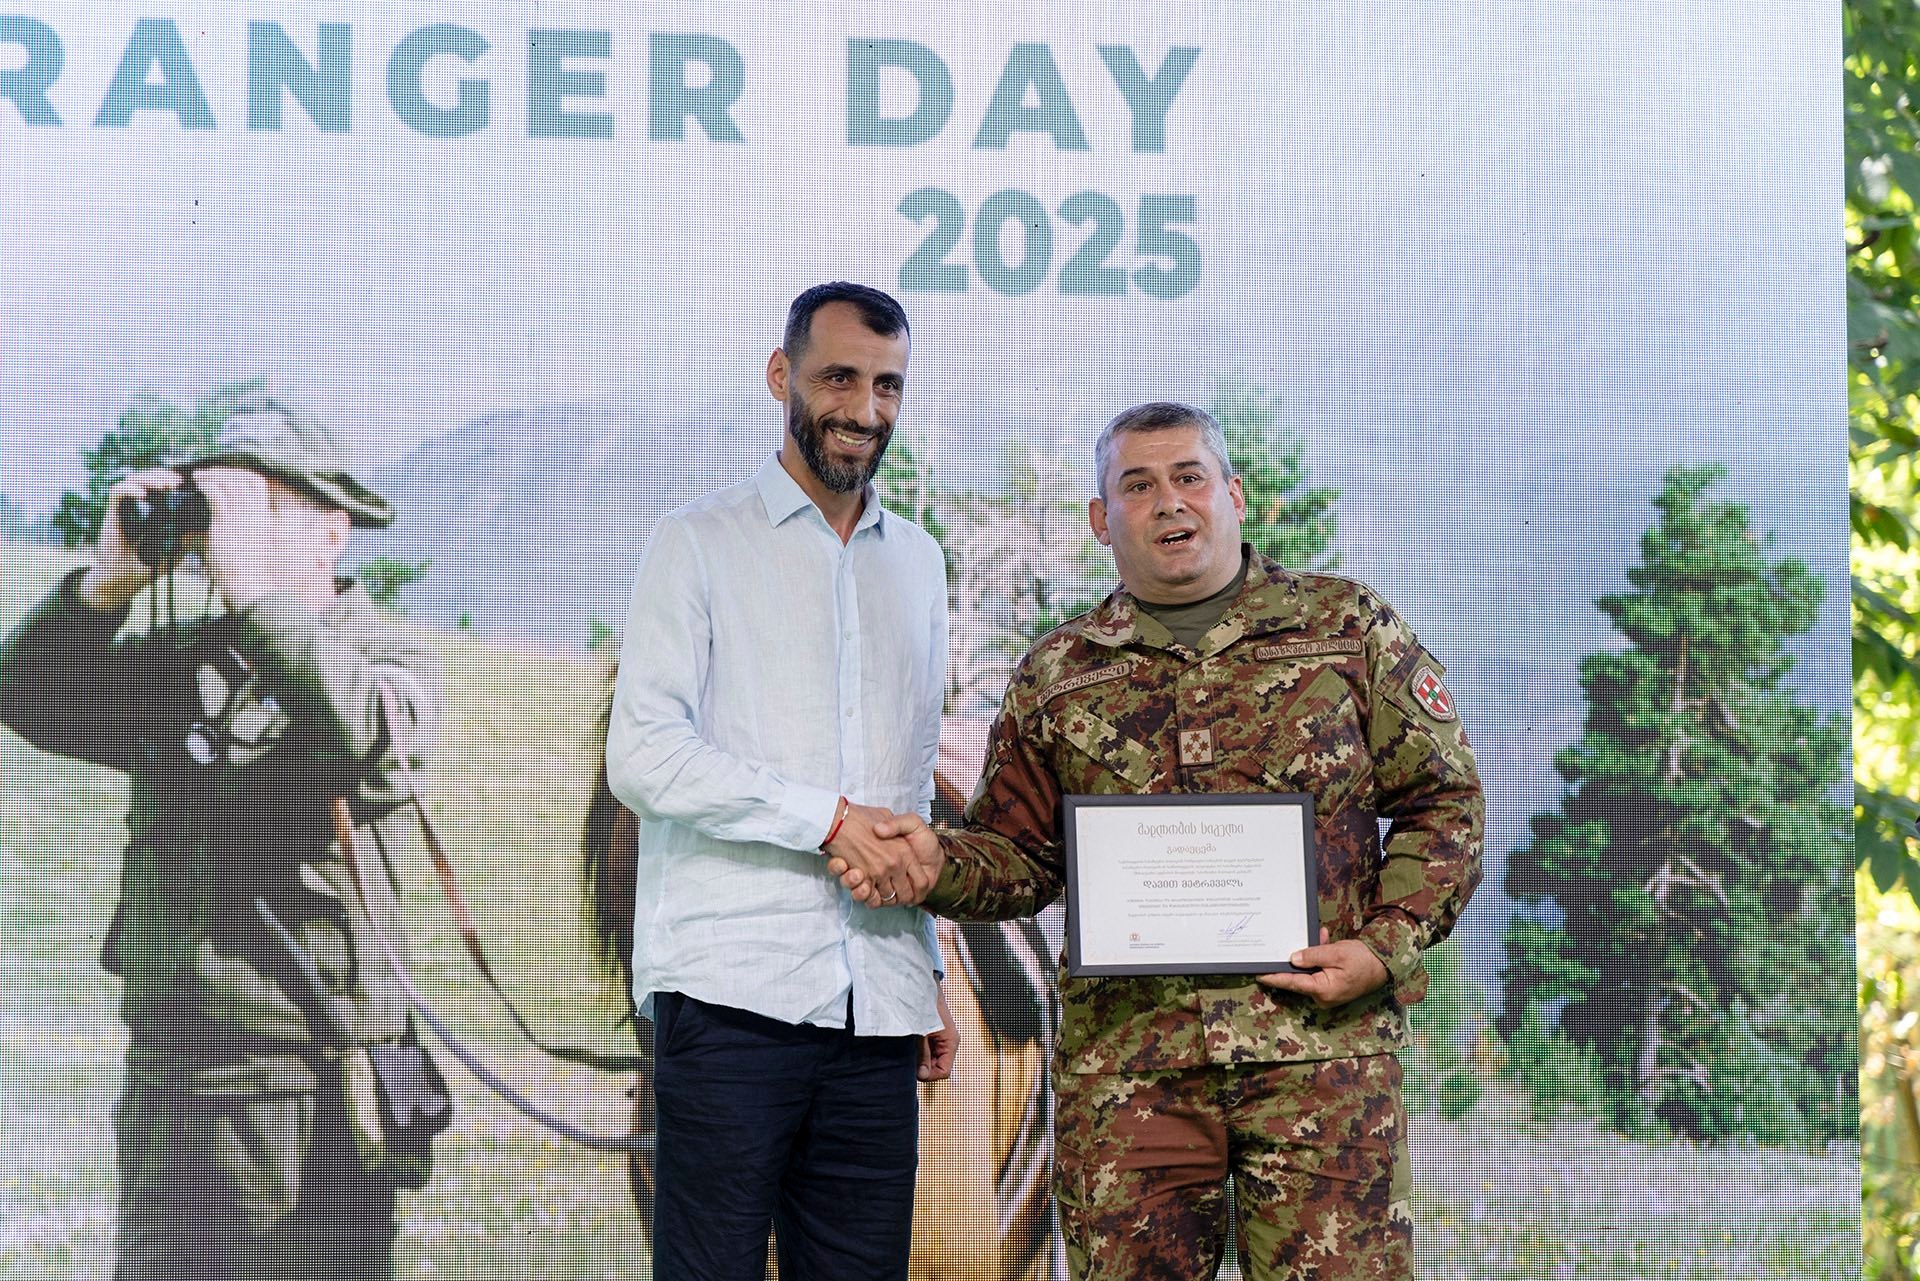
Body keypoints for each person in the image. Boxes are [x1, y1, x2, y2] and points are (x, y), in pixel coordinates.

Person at [834, 401, 1485, 1280]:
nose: (1169, 501)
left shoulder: (1349, 629)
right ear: (1102, 519)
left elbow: (1445, 802)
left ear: (1234, 495)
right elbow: (1021, 857)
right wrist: (936, 863)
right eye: (1137, 486)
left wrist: (1383, 947)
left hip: (1322, 1067)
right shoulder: (1059, 674)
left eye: (1189, 477)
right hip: (1130, 1083)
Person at [0, 399, 441, 1281]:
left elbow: (369, 737)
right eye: (213, 507)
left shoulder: (380, 655)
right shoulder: (182, 662)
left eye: (254, 508)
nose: (222, 532)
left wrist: (257, 597)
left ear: (332, 532)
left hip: (307, 1092)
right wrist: (103, 589)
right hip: (171, 1081)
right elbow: (28, 697)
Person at [604, 281, 960, 1281]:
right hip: (731, 998)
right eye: (838, 377)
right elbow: (644, 754)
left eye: (887, 384)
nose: (865, 409)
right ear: (780, 376)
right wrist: (827, 820)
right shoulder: (697, 540)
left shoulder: (920, 563)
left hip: (878, 1007)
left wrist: (925, 970)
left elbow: (909, 790)